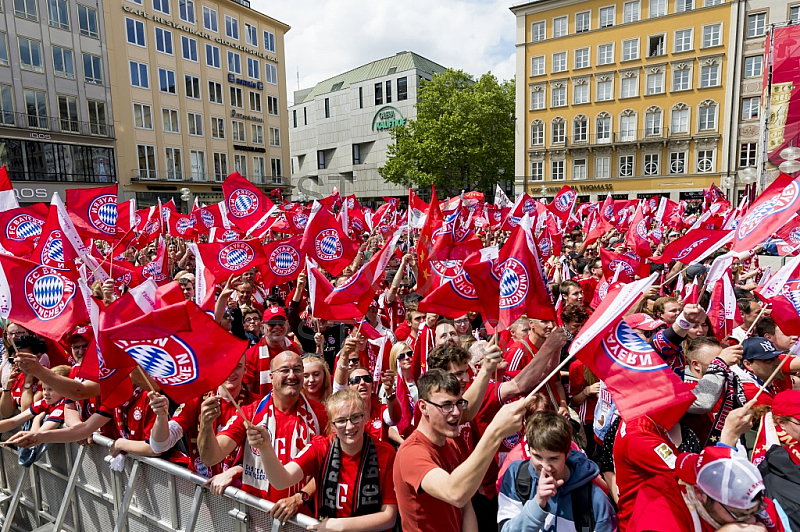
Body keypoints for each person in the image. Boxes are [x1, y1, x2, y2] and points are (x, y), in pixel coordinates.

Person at [393, 369, 528, 532]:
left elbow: (466, 505)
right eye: (447, 406)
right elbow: (455, 493)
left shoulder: (451, 444)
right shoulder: (411, 452)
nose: (457, 412)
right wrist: (495, 433)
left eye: (459, 403)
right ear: (423, 407)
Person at [198, 351, 328, 517]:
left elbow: (329, 466)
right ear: (271, 377)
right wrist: (206, 425)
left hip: (300, 516)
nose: (292, 376)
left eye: (297, 369)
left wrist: (299, 498)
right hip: (257, 514)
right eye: (284, 370)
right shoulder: (249, 414)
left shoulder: (321, 414)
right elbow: (210, 457)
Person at [246, 389, 398, 530]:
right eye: (341, 420)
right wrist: (265, 447)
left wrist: (340, 526)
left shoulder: (385, 453)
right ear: (331, 425)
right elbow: (281, 480)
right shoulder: (321, 447)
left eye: (355, 417)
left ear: (365, 417)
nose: (350, 426)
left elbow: (389, 516)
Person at [497, 410, 617, 532]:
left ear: (567, 453)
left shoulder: (595, 500)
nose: (546, 467)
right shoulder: (516, 477)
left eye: (553, 458)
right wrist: (537, 504)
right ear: (529, 449)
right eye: (537, 456)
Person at [148, 353, 259, 483]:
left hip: (238, 492)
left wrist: (237, 470)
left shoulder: (257, 404)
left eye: (237, 366)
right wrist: (161, 417)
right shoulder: (196, 400)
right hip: (200, 488)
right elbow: (160, 446)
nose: (230, 371)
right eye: (225, 366)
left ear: (245, 369)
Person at [630, 446, 783, 532]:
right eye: (738, 515)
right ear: (701, 493)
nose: (750, 520)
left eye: (755, 511)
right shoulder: (660, 501)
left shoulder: (753, 503)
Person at [0, 365, 70, 434]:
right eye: (44, 389)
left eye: (50, 389)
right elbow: (13, 422)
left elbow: (37, 435)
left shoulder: (63, 406)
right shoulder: (44, 402)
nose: (45, 393)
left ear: (65, 389)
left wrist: (37, 419)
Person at [732, 337, 796, 406]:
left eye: (777, 357)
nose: (778, 362)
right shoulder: (754, 394)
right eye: (768, 360)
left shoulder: (770, 374)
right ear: (748, 364)